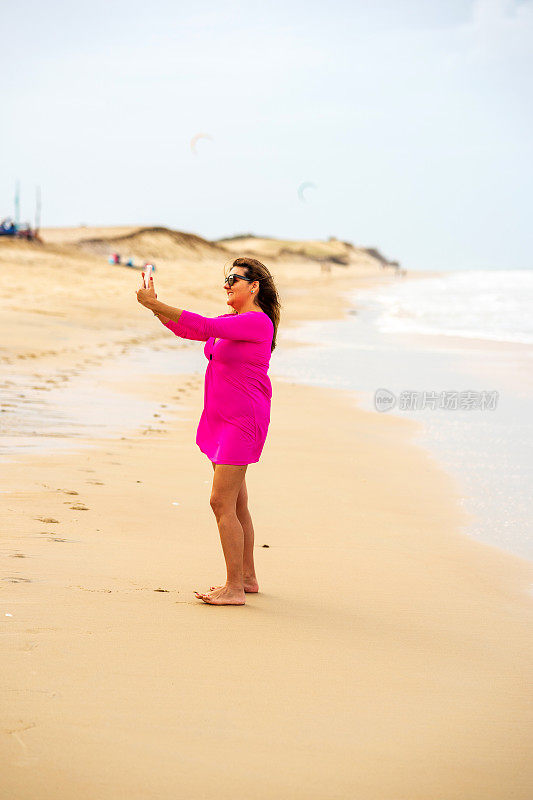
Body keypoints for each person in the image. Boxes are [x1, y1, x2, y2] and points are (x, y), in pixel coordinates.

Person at [136, 258, 281, 606]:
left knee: (220, 502)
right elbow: (190, 330)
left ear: (254, 286)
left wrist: (155, 303)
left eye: (234, 279)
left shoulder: (257, 323)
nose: (227, 284)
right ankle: (246, 577)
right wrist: (157, 309)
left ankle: (233, 588)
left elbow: (202, 324)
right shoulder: (232, 322)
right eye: (226, 279)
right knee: (237, 501)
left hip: (242, 421)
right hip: (220, 418)